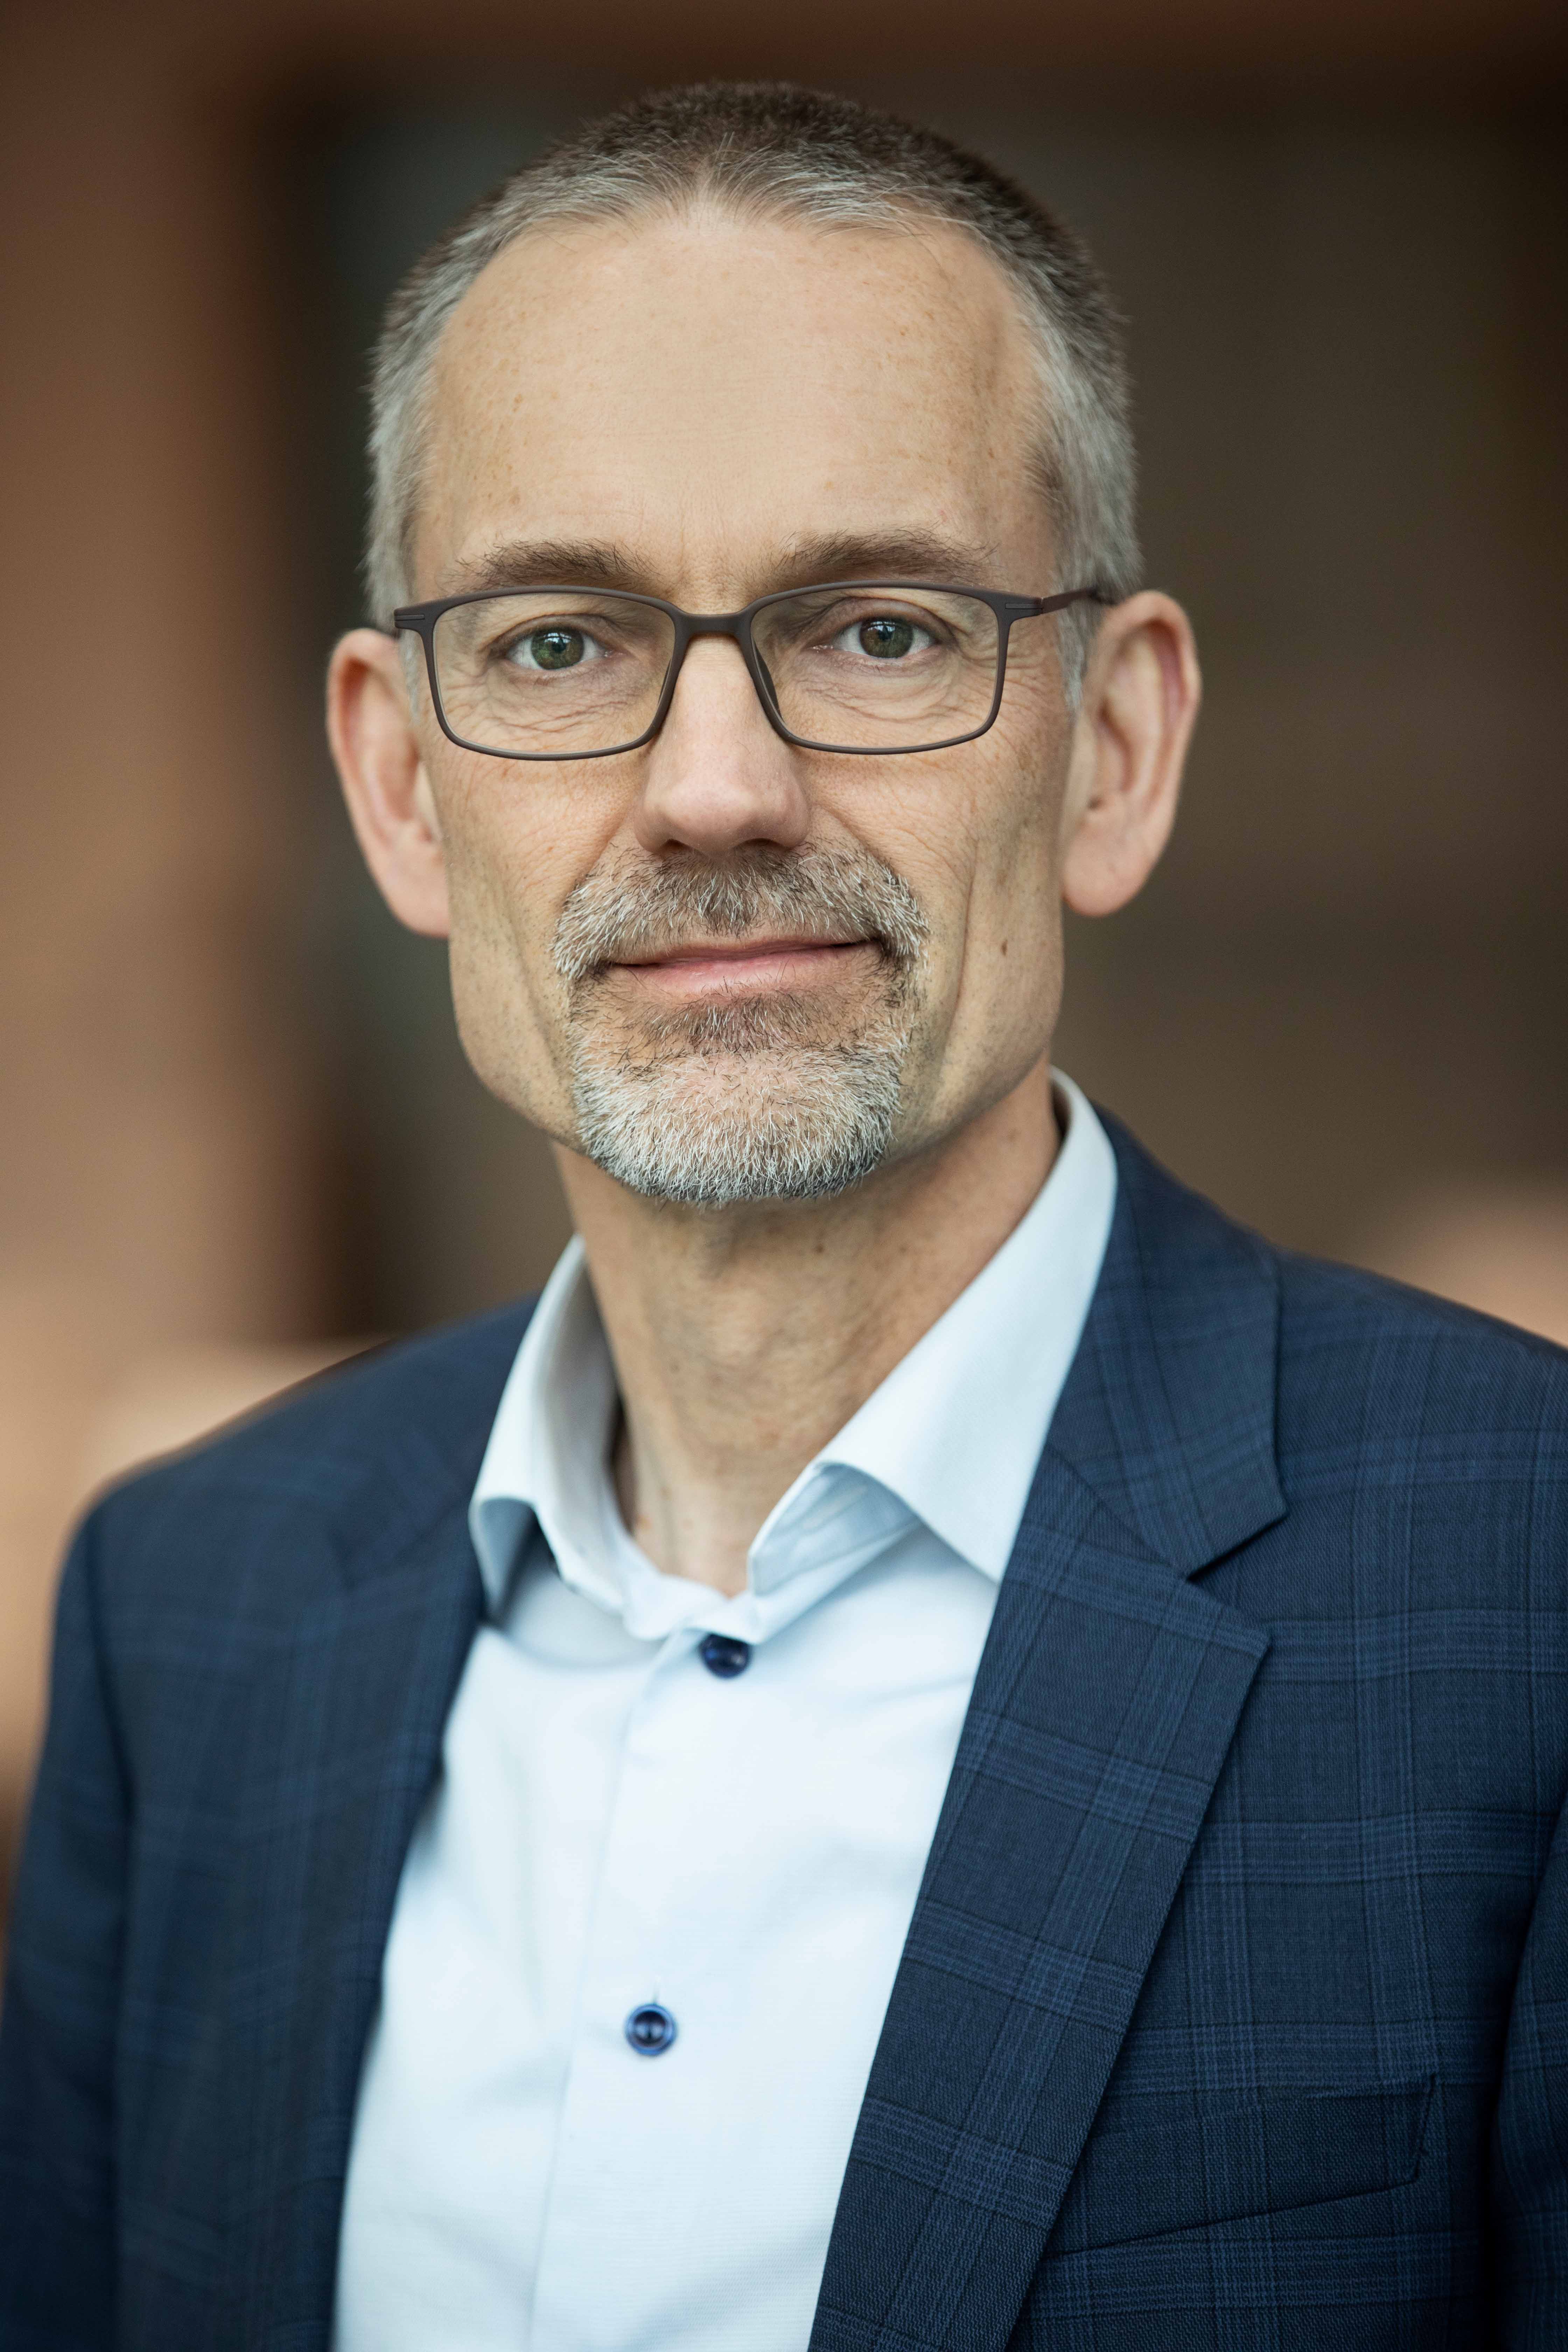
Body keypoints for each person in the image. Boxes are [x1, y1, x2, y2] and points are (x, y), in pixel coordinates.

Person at [2, 79, 1564, 2352]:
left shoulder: (1527, 1585)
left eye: (881, 629)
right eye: (557, 643)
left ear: (1116, 749)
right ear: (401, 791)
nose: (715, 792)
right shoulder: (187, 1609)